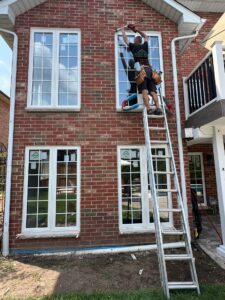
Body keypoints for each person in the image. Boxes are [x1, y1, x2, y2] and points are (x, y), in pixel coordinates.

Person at [121, 25, 162, 115]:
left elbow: (126, 40)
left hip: (142, 71)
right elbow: (146, 36)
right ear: (141, 41)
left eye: (135, 39)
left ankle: (148, 109)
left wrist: (123, 30)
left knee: (144, 91)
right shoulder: (145, 46)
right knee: (153, 91)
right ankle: (158, 108)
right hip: (150, 71)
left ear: (136, 41)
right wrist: (136, 30)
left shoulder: (133, 47)